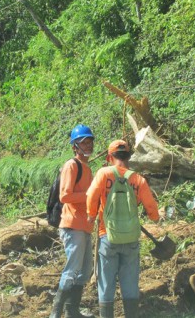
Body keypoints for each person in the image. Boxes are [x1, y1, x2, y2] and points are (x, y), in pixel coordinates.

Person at [86, 140, 159, 318]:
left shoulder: (103, 174)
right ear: (128, 157)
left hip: (107, 236)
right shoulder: (138, 179)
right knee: (130, 283)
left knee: (106, 284)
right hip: (131, 239)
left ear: (109, 157)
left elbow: (91, 196)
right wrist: (154, 218)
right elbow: (151, 206)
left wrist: (91, 215)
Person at [50, 124, 96, 318]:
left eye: (90, 142)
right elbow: (65, 196)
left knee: (85, 270)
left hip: (84, 226)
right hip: (72, 225)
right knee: (72, 270)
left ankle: (72, 311)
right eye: (83, 142)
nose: (87, 145)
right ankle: (56, 313)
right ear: (74, 146)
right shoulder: (72, 165)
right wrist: (89, 194)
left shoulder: (87, 168)